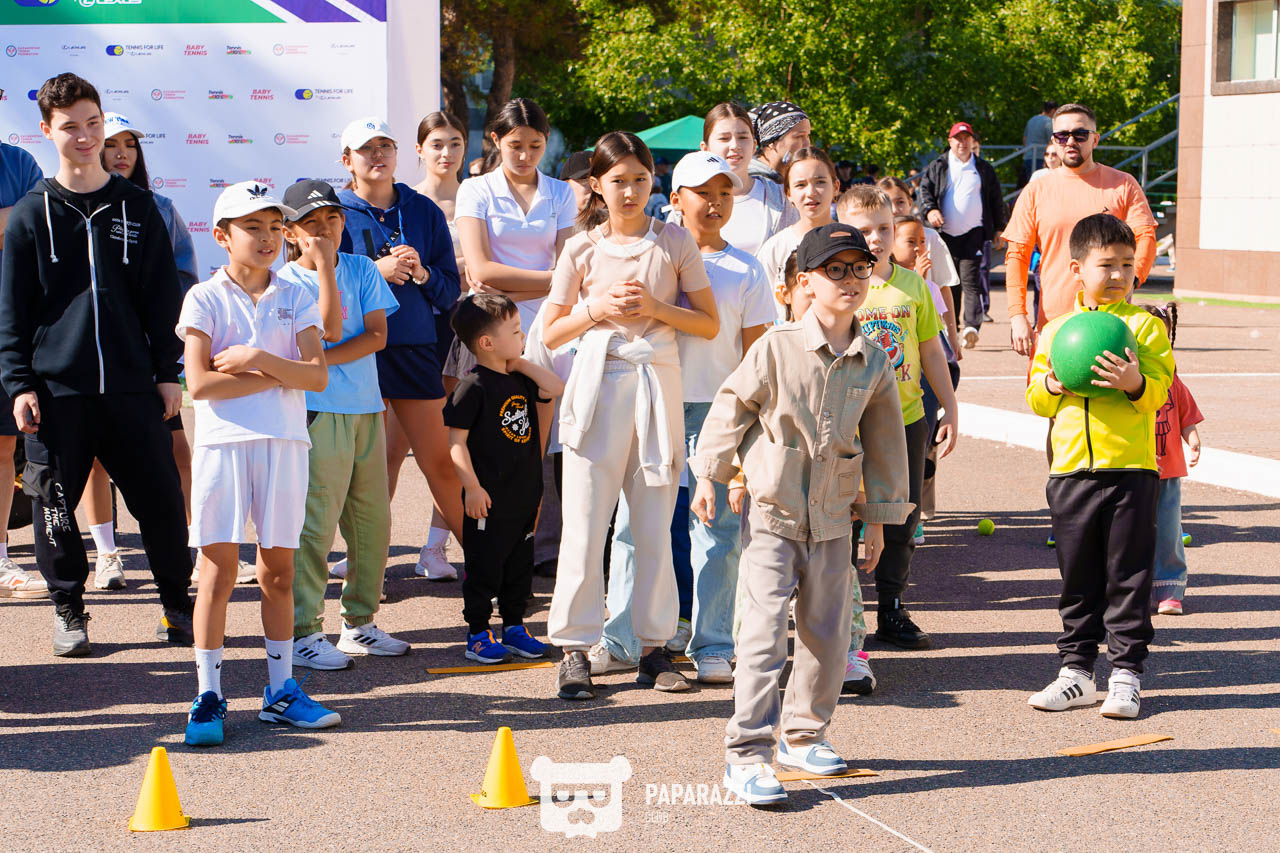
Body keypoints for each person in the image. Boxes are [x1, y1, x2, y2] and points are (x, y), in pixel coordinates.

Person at [690, 223, 910, 806]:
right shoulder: (776, 347)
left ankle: (804, 734)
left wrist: (880, 520)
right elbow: (732, 407)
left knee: (827, 635)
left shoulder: (873, 360)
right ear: (805, 282)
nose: (850, 281)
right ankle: (747, 753)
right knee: (761, 637)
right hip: (772, 512)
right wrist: (711, 474)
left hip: (835, 519)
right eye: (834, 270)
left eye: (860, 269)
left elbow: (887, 445)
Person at [0, 73, 193, 655]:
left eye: (93, 123)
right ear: (46, 130)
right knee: (55, 508)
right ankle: (70, 613)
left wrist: (167, 372)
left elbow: (163, 298)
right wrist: (18, 383)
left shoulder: (138, 206)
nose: (84, 137)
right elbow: (13, 307)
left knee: (160, 501)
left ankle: (175, 608)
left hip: (134, 387)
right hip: (58, 393)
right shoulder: (32, 213)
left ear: (103, 122)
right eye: (69, 127)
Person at [543, 131, 718, 701]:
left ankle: (655, 648)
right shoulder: (579, 248)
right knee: (586, 522)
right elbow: (549, 332)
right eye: (617, 180)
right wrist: (594, 309)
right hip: (597, 388)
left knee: (652, 526)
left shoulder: (675, 241)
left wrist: (657, 308)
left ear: (652, 182)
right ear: (596, 185)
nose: (630, 190)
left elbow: (709, 322)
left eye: (640, 179)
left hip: (655, 387)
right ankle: (575, 649)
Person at [594, 152, 774, 684]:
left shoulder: (746, 267)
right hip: (648, 404)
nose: (715, 203)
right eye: (703, 192)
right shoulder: (650, 254)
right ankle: (621, 639)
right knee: (632, 527)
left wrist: (745, 429)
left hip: (717, 414)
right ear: (676, 200)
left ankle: (712, 643)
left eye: (725, 192)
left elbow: (755, 358)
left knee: (715, 530)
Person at [179, 181, 340, 746]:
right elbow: (200, 385)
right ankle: (207, 694)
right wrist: (278, 371)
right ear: (222, 236)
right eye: (253, 227)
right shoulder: (203, 297)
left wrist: (255, 359)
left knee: (278, 572)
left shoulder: (294, 294)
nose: (268, 237)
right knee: (217, 573)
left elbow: (317, 375)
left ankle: (280, 692)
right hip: (223, 445)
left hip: (286, 443)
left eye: (275, 226)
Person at [1025, 213, 1174, 721]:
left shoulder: (1145, 327)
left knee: (1128, 576)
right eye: (1105, 264)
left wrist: (1134, 382)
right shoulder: (1057, 330)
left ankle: (1127, 675)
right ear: (1076, 269)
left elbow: (1159, 392)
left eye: (1127, 265)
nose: (1117, 275)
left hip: (1131, 470)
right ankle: (1077, 672)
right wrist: (1052, 386)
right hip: (1069, 473)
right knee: (1077, 576)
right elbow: (1036, 396)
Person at [278, 180, 409, 671]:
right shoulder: (286, 283)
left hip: (366, 409)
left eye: (332, 219)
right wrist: (326, 270)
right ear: (290, 233)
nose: (325, 230)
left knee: (373, 523)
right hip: (316, 414)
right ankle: (304, 631)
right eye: (312, 223)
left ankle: (359, 623)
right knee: (316, 526)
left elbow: (376, 337)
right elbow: (322, 335)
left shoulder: (360, 268)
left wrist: (319, 360)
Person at [337, 117, 463, 583]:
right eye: (365, 148)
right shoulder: (334, 211)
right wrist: (378, 270)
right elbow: (320, 285)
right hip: (355, 353)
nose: (378, 155)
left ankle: (488, 574)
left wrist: (424, 274)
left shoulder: (424, 210)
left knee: (439, 464)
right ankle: (364, 572)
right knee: (364, 473)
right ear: (346, 160)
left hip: (413, 349)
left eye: (385, 146)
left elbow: (450, 290)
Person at [80, 110, 202, 592]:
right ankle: (108, 555)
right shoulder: (76, 206)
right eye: (112, 143)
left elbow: (185, 279)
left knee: (176, 451)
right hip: (95, 360)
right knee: (95, 460)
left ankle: (189, 544)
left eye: (130, 144)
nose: (122, 152)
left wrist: (157, 331)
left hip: (149, 357)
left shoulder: (160, 207)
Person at [837, 185, 958, 650]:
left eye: (884, 228)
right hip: (849, 420)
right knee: (847, 514)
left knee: (900, 516)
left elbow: (930, 349)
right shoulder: (842, 287)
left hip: (906, 418)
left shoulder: (913, 286)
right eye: (863, 230)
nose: (875, 238)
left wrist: (950, 405)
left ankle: (891, 607)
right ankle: (845, 612)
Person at [444, 294, 564, 663]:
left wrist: (520, 362)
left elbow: (554, 388)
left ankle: (514, 627)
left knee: (518, 567)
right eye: (514, 330)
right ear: (486, 343)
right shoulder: (472, 386)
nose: (523, 334)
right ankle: (478, 634)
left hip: (523, 496)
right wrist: (472, 487)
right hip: (487, 499)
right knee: (484, 568)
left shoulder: (520, 379)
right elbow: (456, 444)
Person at [1004, 103, 1158, 356]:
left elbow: (1145, 238)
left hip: (1112, 323)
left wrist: (1134, 280)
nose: (1070, 141)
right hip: (1053, 323)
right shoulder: (1036, 191)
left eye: (1080, 134)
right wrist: (1017, 315)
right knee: (1047, 395)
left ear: (1095, 139)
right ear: (1053, 141)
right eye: (1062, 135)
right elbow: (1017, 256)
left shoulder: (1123, 184)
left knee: (1111, 394)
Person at [397, 109, 471, 582]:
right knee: (392, 446)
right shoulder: (409, 203)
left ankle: (435, 546)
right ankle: (368, 550)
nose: (446, 154)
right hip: (420, 332)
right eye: (437, 144)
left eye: (456, 143)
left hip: (471, 328)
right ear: (420, 150)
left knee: (456, 442)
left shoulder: (479, 197)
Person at [456, 98, 576, 333]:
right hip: (487, 320)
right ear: (496, 140)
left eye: (535, 146)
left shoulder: (561, 192)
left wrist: (505, 293)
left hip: (546, 321)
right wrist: (554, 279)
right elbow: (481, 270)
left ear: (546, 139)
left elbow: (569, 273)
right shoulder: (475, 189)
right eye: (515, 146)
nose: (525, 156)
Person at [0, 136, 46, 599]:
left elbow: (30, 227)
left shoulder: (18, 160)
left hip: (9, 325)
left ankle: (0, 559)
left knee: (3, 448)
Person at [916, 121, 1007, 350]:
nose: (962, 143)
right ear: (950, 142)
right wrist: (930, 210)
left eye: (966, 138)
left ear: (972, 142)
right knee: (951, 282)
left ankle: (972, 327)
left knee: (971, 280)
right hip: (945, 234)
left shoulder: (984, 168)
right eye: (958, 138)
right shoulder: (939, 166)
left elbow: (996, 199)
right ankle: (952, 326)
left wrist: (999, 228)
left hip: (974, 233)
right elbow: (924, 191)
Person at [671, 103, 795, 256]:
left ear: (754, 145)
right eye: (724, 138)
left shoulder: (781, 199)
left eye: (742, 137)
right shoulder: (686, 200)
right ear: (705, 148)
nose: (735, 145)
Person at [1144, 303, 1202, 616]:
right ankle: (1130, 590)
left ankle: (1169, 589)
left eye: (1161, 339)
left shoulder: (1172, 381)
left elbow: (1186, 415)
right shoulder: (1123, 381)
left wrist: (1193, 442)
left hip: (1167, 473)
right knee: (1129, 534)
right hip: (1132, 470)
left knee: (1168, 532)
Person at [878, 176, 962, 358]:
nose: (894, 209)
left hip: (926, 332)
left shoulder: (930, 237)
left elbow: (944, 287)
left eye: (900, 202)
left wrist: (952, 337)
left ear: (910, 202)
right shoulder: (874, 241)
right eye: (887, 203)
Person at [756, 149, 839, 305]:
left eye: (820, 182)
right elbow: (763, 309)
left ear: (836, 187)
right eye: (800, 185)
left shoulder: (852, 241)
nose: (811, 192)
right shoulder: (774, 249)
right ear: (788, 193)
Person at [750, 101, 812, 183]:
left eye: (808, 136)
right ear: (771, 142)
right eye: (799, 136)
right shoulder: (754, 183)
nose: (807, 144)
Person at [1023, 101, 1059, 181]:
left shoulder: (1031, 119)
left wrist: (1025, 153)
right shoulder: (1049, 122)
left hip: (1028, 157)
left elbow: (1025, 138)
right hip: (1041, 158)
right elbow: (1052, 140)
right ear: (1053, 110)